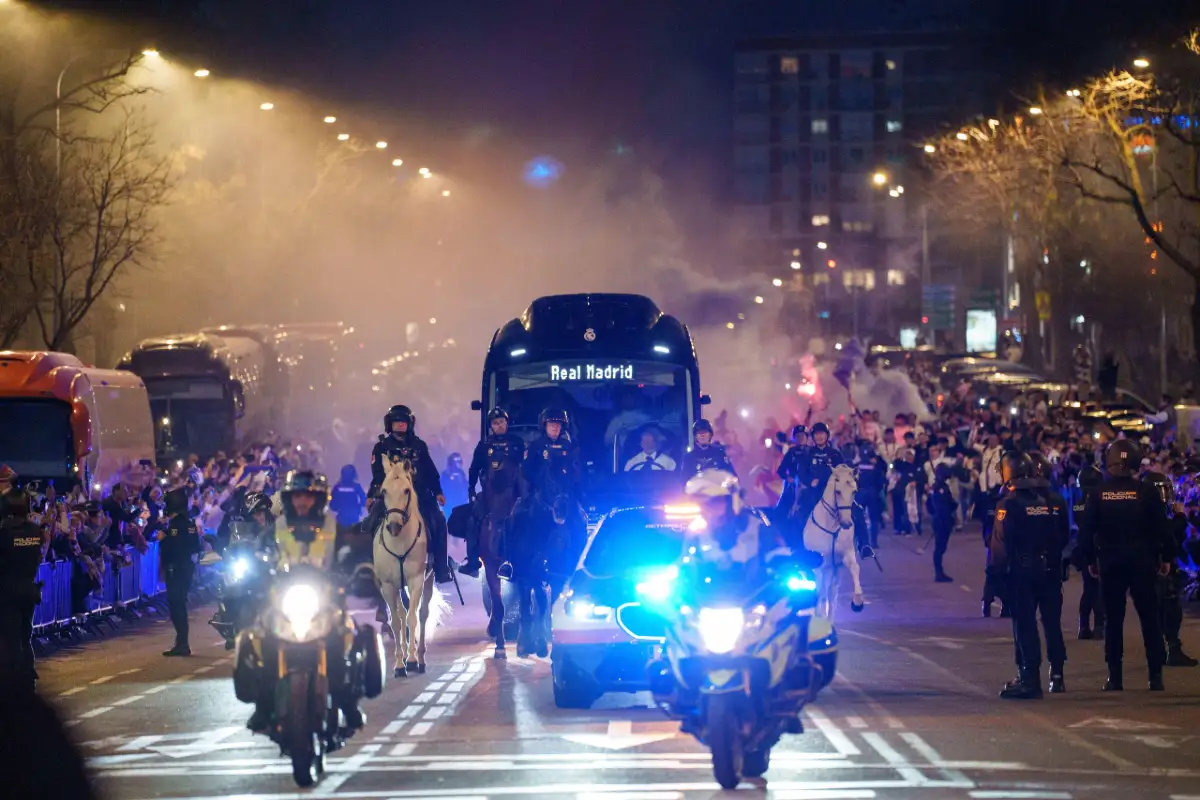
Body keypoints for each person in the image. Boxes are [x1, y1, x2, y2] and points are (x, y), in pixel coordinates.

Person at [1079, 440, 1171, 691]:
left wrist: (1090, 560)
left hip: (1111, 563)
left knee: (1113, 621)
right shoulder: (1146, 491)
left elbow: (1085, 533)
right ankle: (1155, 676)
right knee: (1150, 619)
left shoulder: (1098, 493)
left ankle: (1115, 677)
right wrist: (1166, 557)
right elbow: (1162, 528)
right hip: (1142, 562)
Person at [988, 451, 1070, 699]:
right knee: (1050, 623)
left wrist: (994, 578)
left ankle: (1029, 679)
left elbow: (999, 546)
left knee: (1024, 625)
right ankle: (1054, 674)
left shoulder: (1008, 504)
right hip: (1046, 570)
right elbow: (1058, 537)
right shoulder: (1044, 502)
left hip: (1021, 572)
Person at [366, 405, 452, 584]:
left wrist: (437, 491)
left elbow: (430, 471)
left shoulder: (419, 446)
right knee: (370, 523)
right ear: (389, 424)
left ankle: (441, 568)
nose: (400, 425)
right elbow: (378, 474)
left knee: (439, 521)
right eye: (396, 422)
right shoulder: (381, 447)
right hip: (391, 496)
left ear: (410, 424)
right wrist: (372, 495)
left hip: (420, 495)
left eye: (404, 422)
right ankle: (370, 566)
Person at [682, 469, 785, 583]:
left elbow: (778, 554)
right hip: (705, 592)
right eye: (702, 504)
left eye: (713, 502)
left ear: (731, 500)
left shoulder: (757, 528)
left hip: (754, 591)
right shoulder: (696, 531)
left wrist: (783, 567)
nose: (706, 509)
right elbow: (685, 562)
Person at [461, 407, 527, 578]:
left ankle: (514, 560)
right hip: (489, 492)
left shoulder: (517, 443)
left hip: (514, 493)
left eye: (501, 422)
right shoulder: (484, 445)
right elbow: (474, 468)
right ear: (491, 426)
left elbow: (526, 468)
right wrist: (471, 487)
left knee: (522, 521)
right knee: (472, 520)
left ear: (507, 423)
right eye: (495, 423)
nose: (499, 425)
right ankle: (473, 562)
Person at [1144, 472, 1199, 668]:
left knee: (1161, 609)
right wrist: (1181, 517)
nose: (1166, 493)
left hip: (1151, 562)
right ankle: (1171, 650)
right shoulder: (1152, 510)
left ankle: (1161, 650)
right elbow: (1169, 533)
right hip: (1158, 563)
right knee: (1169, 608)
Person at [0, 491, 46, 691]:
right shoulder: (35, 531)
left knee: (11, 638)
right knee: (25, 636)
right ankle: (28, 675)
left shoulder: (4, 533)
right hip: (29, 589)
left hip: (8, 591)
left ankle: (17, 678)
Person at [159, 487, 201, 657]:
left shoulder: (176, 525)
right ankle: (181, 642)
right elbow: (195, 546)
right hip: (186, 569)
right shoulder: (189, 523)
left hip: (176, 569)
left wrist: (164, 540)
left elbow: (175, 549)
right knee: (179, 604)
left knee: (177, 604)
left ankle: (182, 643)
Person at [274, 470, 337, 571]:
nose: (302, 501)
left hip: (323, 578)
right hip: (285, 578)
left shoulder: (331, 525)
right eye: (297, 496)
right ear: (289, 499)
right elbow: (266, 550)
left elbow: (341, 556)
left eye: (309, 496)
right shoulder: (279, 524)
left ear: (318, 499)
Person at [1072, 466, 1106, 640]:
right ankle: (1099, 625)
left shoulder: (1078, 504)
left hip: (1084, 548)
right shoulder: (1100, 502)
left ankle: (1084, 625)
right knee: (1099, 589)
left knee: (1089, 588)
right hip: (1100, 548)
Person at [524, 408, 583, 504]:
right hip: (542, 491)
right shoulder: (536, 446)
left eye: (558, 425)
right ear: (545, 426)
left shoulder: (570, 446)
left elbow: (576, 468)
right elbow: (526, 469)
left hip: (566, 490)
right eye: (551, 424)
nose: (555, 428)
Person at [793, 422, 843, 522]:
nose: (819, 437)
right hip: (812, 492)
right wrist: (810, 481)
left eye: (822, 434)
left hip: (832, 492)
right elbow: (802, 472)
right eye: (816, 434)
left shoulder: (835, 454)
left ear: (827, 435)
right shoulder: (807, 453)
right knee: (799, 517)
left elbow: (842, 473)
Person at [926, 463, 958, 584]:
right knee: (939, 547)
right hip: (942, 519)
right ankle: (938, 573)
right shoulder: (940, 487)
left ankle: (939, 572)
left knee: (941, 547)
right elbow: (945, 504)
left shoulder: (938, 486)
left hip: (940, 518)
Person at [328, 465, 367, 540]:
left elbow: (332, 505)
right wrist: (358, 506)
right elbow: (364, 500)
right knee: (355, 540)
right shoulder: (356, 486)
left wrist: (338, 508)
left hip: (341, 518)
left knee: (340, 540)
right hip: (354, 518)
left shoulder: (337, 487)